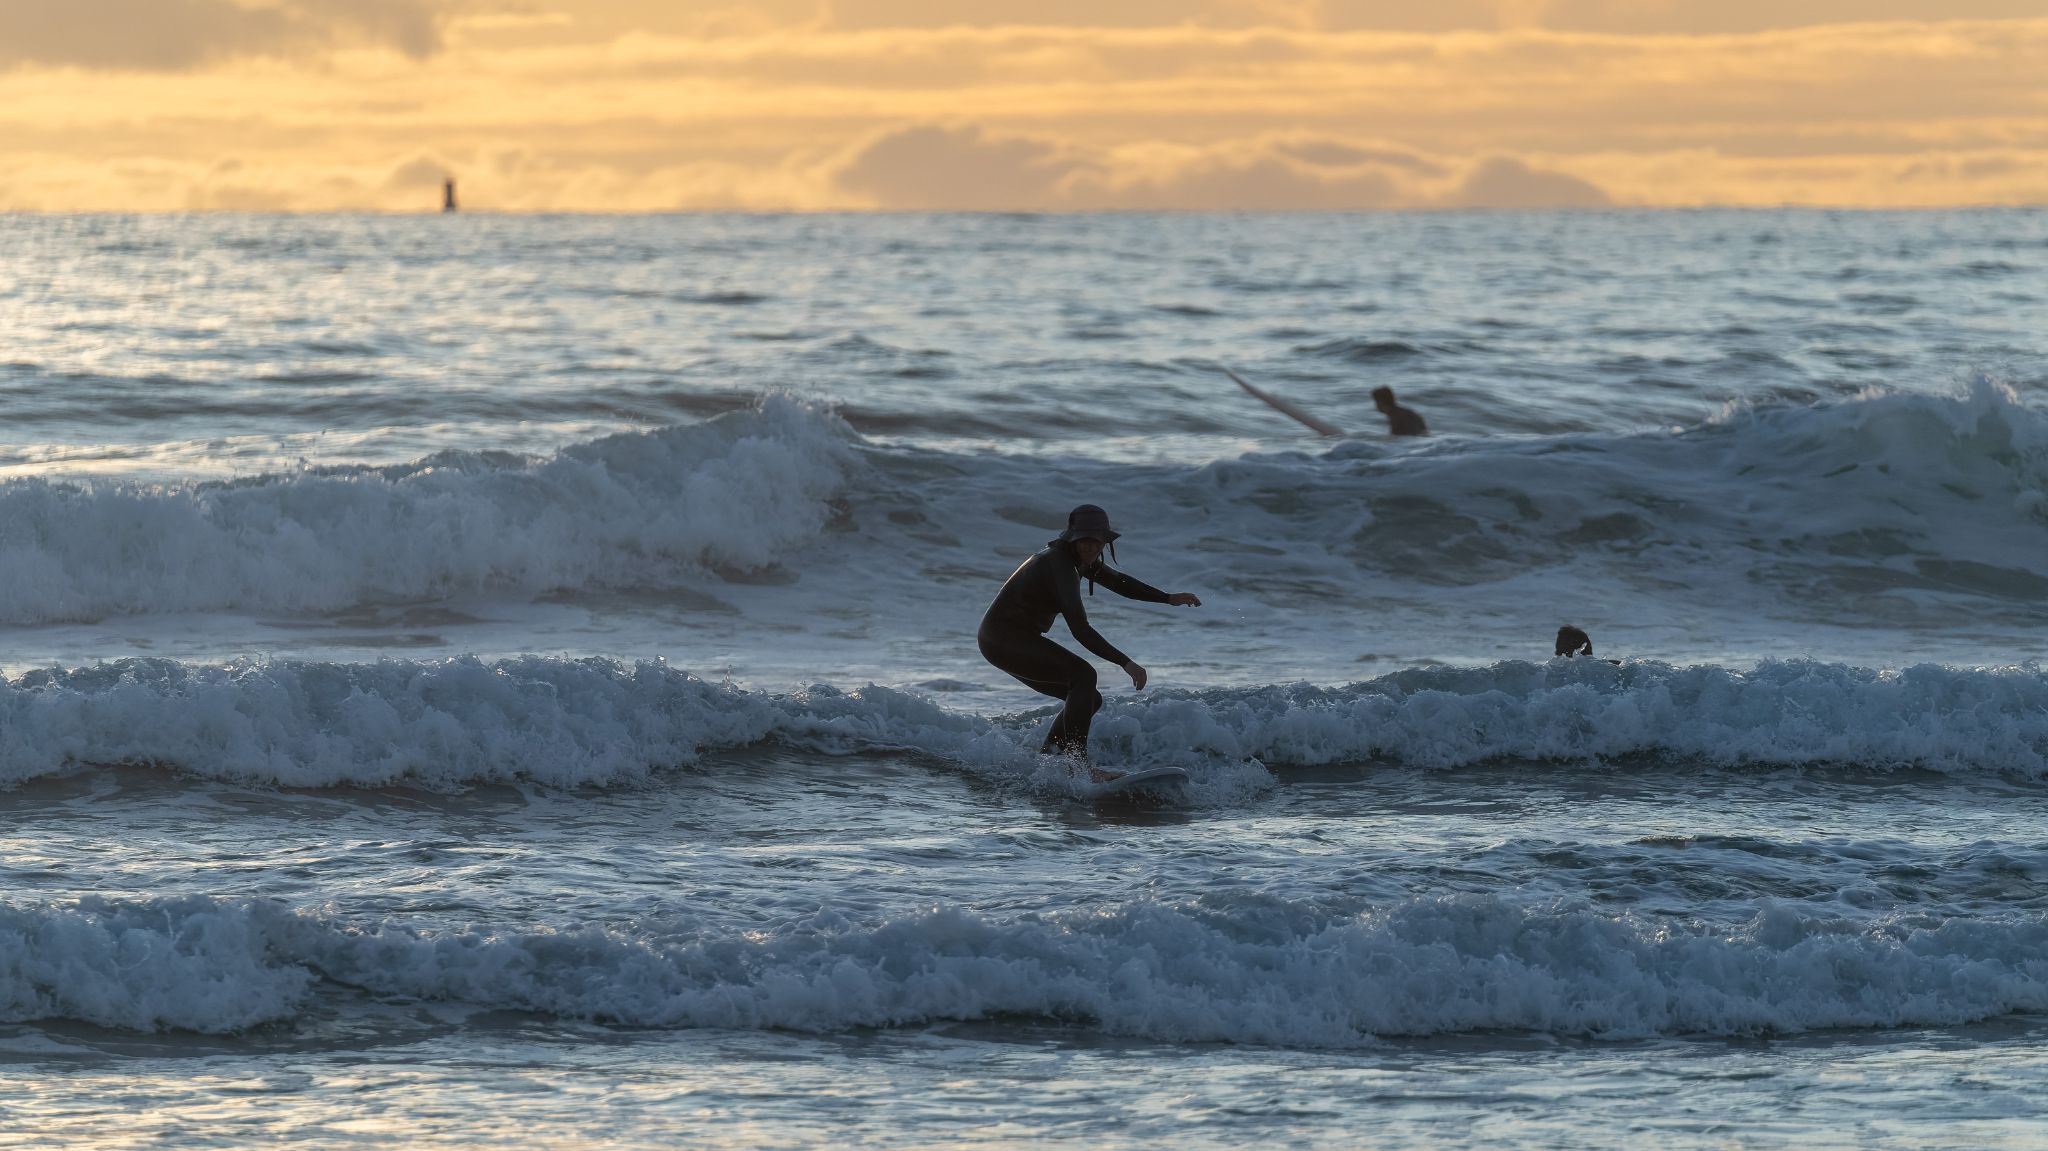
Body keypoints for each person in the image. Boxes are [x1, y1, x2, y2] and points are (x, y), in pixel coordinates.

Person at [978, 504, 1201, 777]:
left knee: (1089, 699)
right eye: (1084, 540)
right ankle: (1079, 768)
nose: (1090, 547)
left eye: (1095, 541)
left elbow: (1120, 583)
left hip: (1006, 639)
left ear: (1105, 541)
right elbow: (1080, 630)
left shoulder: (1076, 559)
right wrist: (1126, 663)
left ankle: (1049, 762)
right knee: (1083, 676)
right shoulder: (1059, 564)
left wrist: (1167, 598)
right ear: (1073, 538)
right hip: (1003, 638)